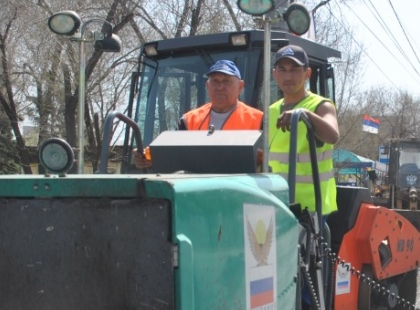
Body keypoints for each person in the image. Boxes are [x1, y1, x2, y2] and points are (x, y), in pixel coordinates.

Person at [132, 59, 263, 169]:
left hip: (241, 191)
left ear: (240, 87)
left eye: (226, 81)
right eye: (215, 81)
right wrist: (145, 157)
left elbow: (267, 161)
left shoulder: (259, 119)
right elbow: (169, 153)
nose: (220, 87)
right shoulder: (189, 121)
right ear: (207, 86)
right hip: (195, 191)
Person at [266, 45, 341, 216]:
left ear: (307, 73)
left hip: (312, 209)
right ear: (275, 74)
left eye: (294, 70)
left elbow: (332, 135)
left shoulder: (321, 106)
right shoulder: (270, 111)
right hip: (277, 203)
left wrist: (304, 115)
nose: (288, 76)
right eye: (282, 70)